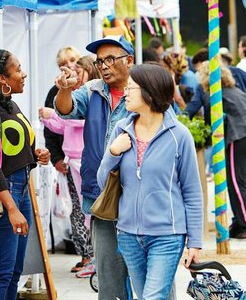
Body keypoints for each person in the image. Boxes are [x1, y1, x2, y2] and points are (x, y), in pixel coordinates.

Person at [56, 35, 177, 300]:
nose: (104, 66)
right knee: (109, 279)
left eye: (110, 59)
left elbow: (172, 143)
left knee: (154, 281)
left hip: (143, 200)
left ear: (129, 61)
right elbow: (66, 110)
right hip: (102, 198)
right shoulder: (92, 90)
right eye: (100, 61)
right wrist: (64, 89)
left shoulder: (149, 93)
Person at [97, 64, 203, 299]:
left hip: (167, 235)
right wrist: (113, 153)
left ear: (149, 91)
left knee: (152, 297)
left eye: (131, 87)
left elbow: (192, 192)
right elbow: (103, 183)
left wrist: (194, 243)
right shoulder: (121, 131)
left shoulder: (179, 135)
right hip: (128, 234)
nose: (125, 92)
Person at [0, 49, 50, 300]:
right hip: (4, 194)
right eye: (17, 69)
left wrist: (35, 154)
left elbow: (12, 148)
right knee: (1, 272)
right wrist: (11, 207)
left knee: (15, 270)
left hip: (21, 189)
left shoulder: (10, 104)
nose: (23, 73)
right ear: (3, 79)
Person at [39, 56, 99, 276]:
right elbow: (65, 124)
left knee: (90, 210)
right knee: (80, 209)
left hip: (86, 160)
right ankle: (89, 256)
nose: (74, 71)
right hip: (72, 160)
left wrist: (52, 115)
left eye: (78, 67)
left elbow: (78, 120)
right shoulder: (73, 94)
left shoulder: (93, 94)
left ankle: (95, 258)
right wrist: (48, 119)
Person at [195, 63, 246, 240]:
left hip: (238, 137)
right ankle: (241, 222)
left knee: (236, 184)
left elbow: (210, 123)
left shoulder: (213, 95)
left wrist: (204, 142)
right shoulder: (236, 91)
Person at [44, 47, 81, 191]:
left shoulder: (89, 88)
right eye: (64, 63)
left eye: (72, 60)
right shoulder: (54, 92)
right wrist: (56, 158)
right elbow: (50, 131)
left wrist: (53, 114)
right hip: (67, 159)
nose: (70, 65)